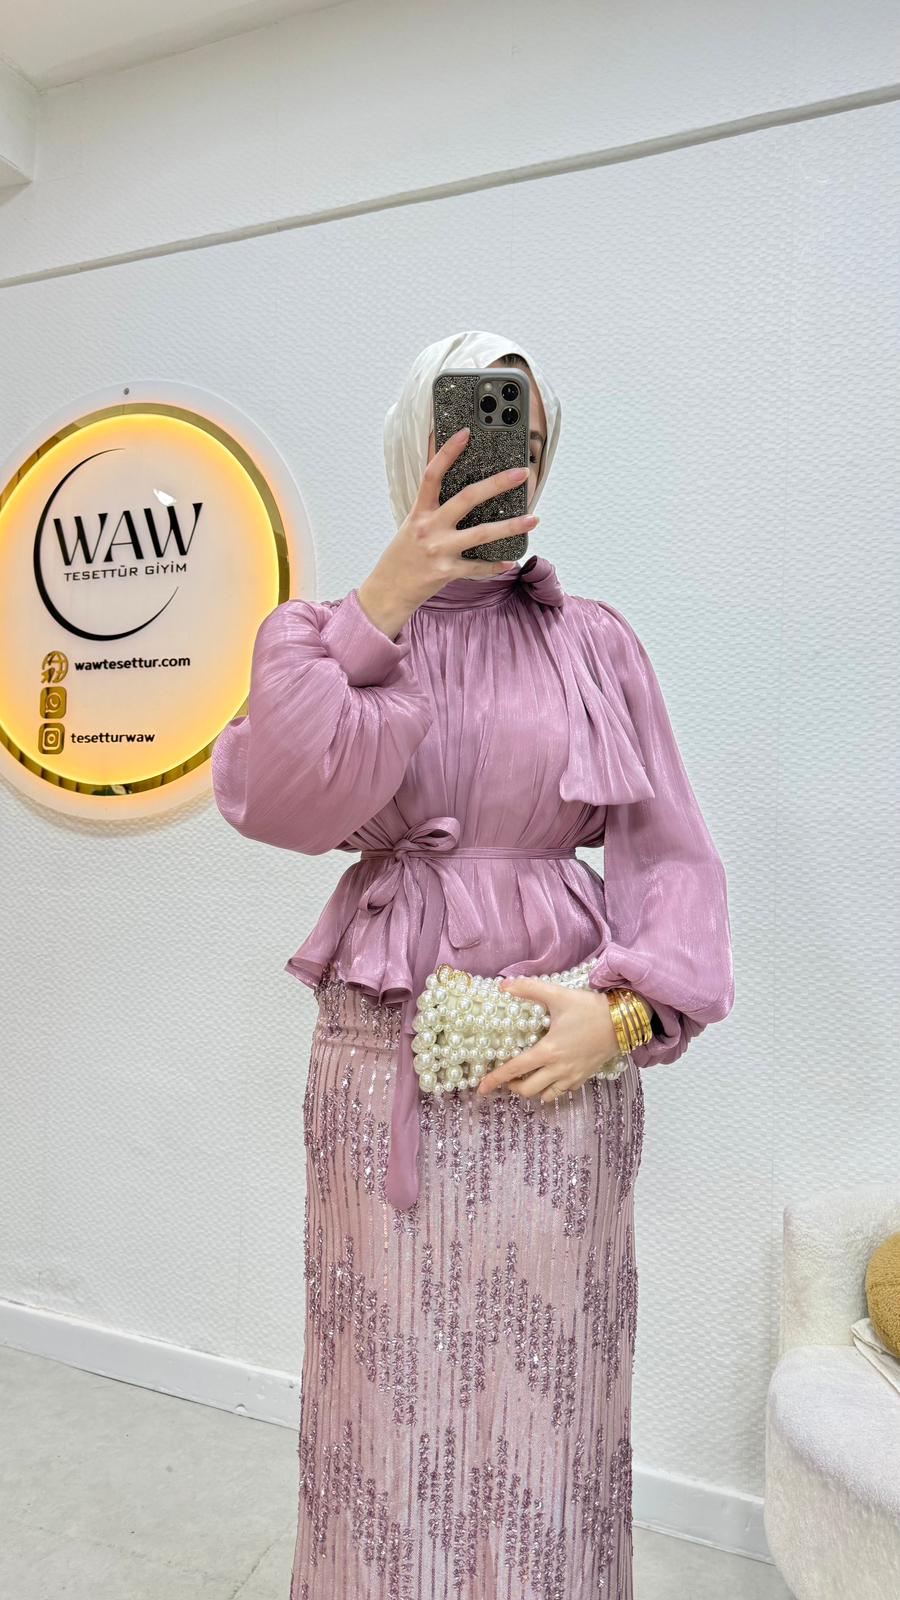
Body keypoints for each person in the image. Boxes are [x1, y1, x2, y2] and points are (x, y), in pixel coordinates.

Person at [211, 329, 734, 1600]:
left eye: (528, 439)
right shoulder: (319, 639)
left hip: (562, 1065)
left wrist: (623, 1017)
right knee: (384, 1392)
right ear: (416, 446)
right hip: (381, 1058)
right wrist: (380, 607)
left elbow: (670, 851)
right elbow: (278, 799)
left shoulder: (593, 643)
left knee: (551, 1399)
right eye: (476, 431)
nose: (510, 460)